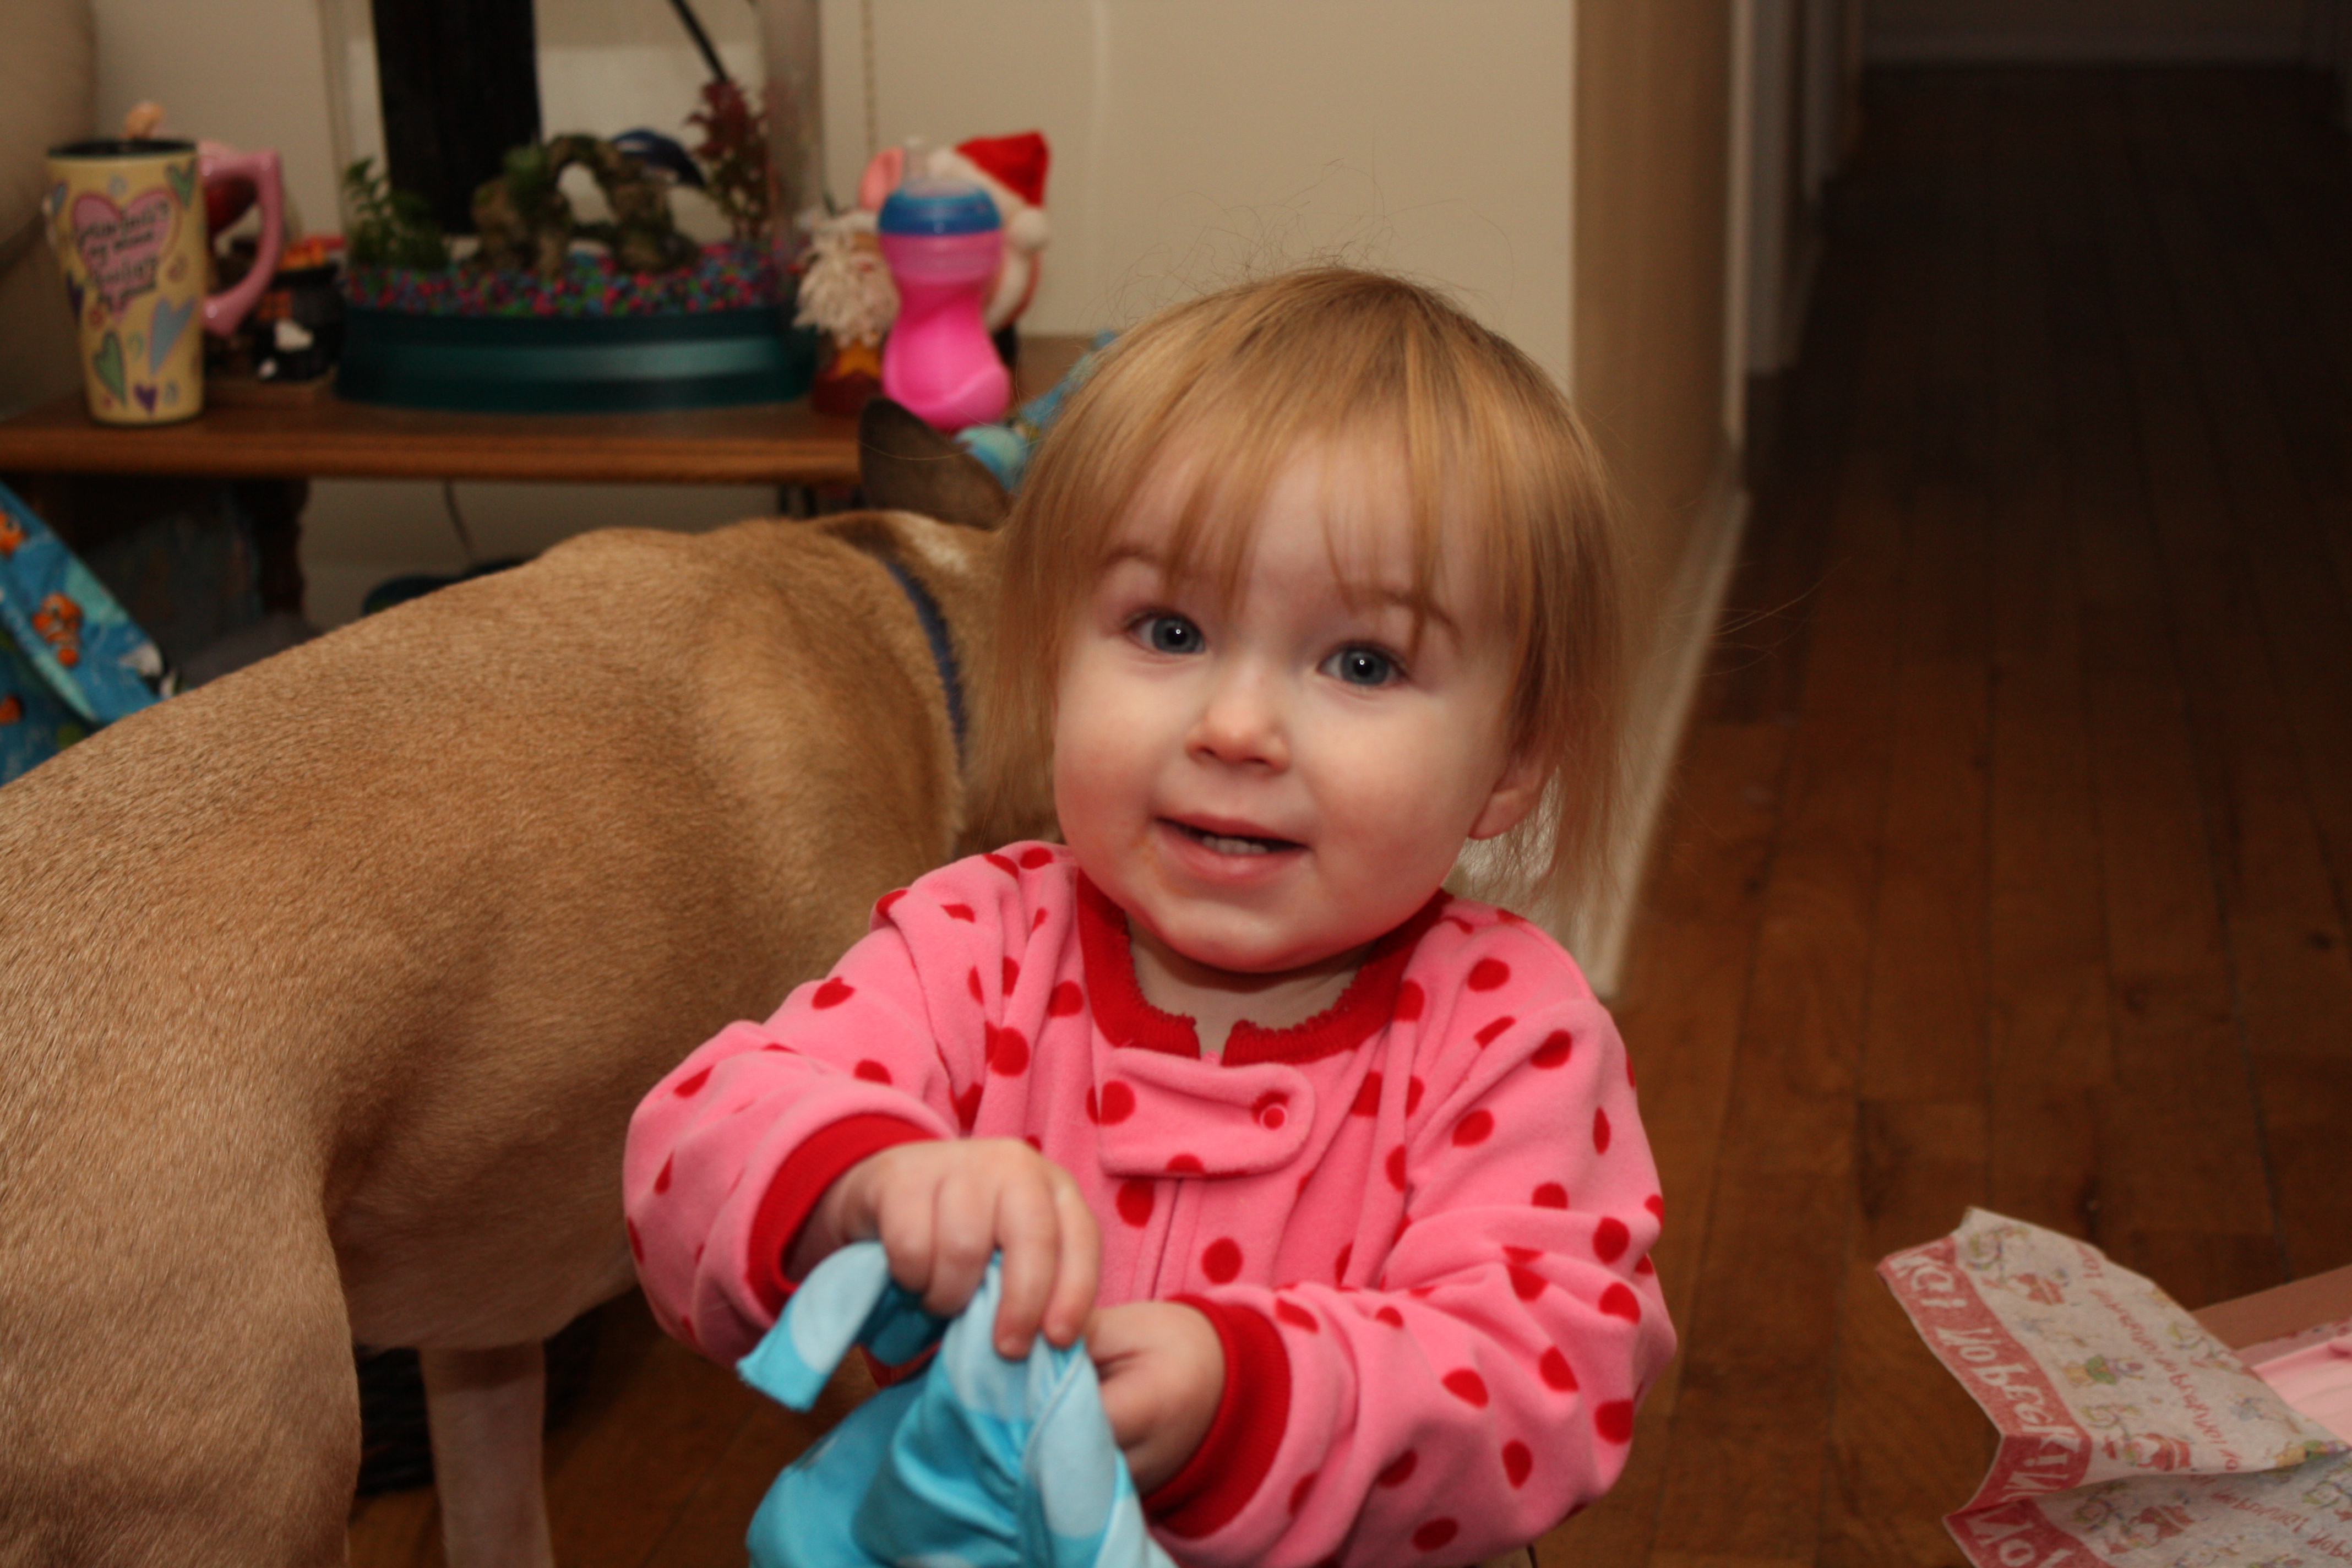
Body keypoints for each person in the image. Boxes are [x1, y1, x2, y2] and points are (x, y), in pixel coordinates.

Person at [624, 267, 1676, 1568]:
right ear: (1052, 656)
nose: (1234, 727)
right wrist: (862, 1182)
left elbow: (1557, 1368)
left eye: (1361, 661)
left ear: (1512, 758)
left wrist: (1247, 1396)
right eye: (1168, 629)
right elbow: (692, 1141)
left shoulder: (1510, 1033)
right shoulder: (977, 945)